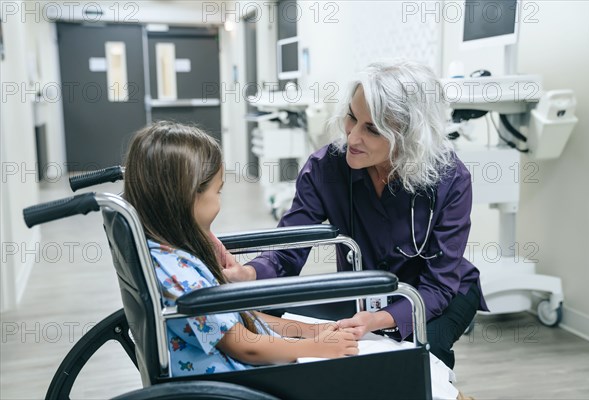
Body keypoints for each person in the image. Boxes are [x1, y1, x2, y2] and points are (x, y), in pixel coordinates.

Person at [224, 60, 488, 370]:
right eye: (352, 116)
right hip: (364, 293)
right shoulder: (326, 168)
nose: (352, 137)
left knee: (422, 359)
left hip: (435, 296)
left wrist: (380, 320)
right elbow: (287, 253)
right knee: (274, 316)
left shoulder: (449, 179)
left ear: (409, 136)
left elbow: (440, 286)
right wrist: (250, 274)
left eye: (372, 129)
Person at [123, 121, 359, 377]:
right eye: (218, 191)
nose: (220, 200)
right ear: (188, 197)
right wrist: (316, 348)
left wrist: (307, 330)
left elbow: (241, 318)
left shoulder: (168, 254)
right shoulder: (178, 274)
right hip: (240, 380)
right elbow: (246, 347)